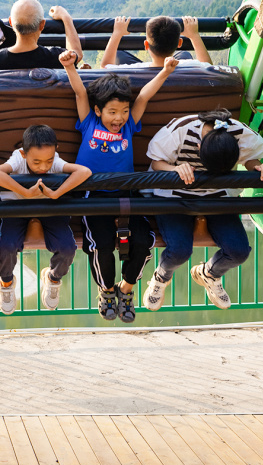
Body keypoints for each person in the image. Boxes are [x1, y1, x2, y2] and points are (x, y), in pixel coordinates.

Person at [61, 51, 178, 322]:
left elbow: (144, 96)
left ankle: (127, 288)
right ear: (98, 110)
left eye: (124, 111)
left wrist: (165, 72)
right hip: (93, 194)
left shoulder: (128, 128)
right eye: (113, 112)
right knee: (101, 245)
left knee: (143, 241)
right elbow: (80, 94)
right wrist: (70, 67)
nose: (120, 118)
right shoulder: (89, 122)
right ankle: (107, 290)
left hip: (125, 193)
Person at [143, 109, 263, 311]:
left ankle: (209, 274)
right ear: (198, 147)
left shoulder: (240, 132)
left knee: (239, 251)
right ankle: (161, 277)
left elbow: (251, 159)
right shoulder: (179, 130)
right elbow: (156, 162)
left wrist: (259, 167)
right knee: (179, 251)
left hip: (217, 196)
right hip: (175, 194)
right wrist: (174, 169)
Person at [0, 125, 91, 314]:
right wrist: (25, 193)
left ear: (55, 151)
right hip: (17, 208)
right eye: (36, 162)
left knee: (68, 248)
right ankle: (7, 281)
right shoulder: (17, 159)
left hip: (49, 208)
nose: (44, 167)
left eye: (49, 160)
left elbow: (84, 172)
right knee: (7, 246)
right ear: (24, 153)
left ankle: (52, 278)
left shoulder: (55, 162)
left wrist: (56, 194)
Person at [0, 0, 83, 70]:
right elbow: (76, 54)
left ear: (11, 23)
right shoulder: (57, 58)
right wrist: (66, 18)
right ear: (42, 25)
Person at [100, 15, 211, 68]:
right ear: (179, 43)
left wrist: (116, 34)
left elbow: (105, 66)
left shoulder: (133, 70)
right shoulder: (189, 67)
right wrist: (194, 35)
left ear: (146, 45)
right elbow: (208, 66)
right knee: (184, 54)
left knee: (119, 55)